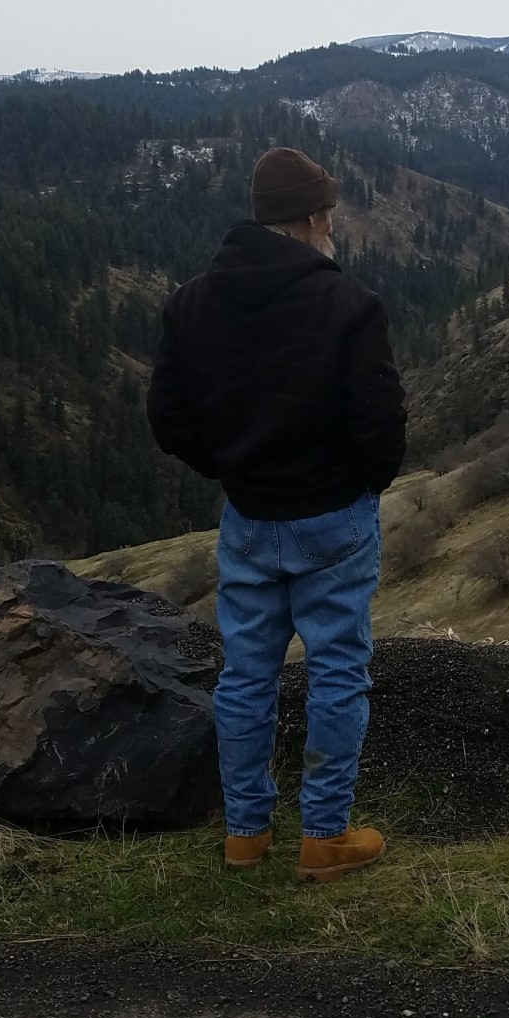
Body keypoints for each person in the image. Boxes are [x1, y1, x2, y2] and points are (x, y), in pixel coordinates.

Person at [148, 146, 407, 881]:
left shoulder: (190, 303)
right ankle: (324, 838)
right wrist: (361, 485)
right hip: (335, 517)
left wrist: (231, 468)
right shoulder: (349, 305)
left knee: (246, 677)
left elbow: (168, 418)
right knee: (336, 672)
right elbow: (381, 427)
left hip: (248, 518)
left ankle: (246, 836)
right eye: (330, 216)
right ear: (316, 218)